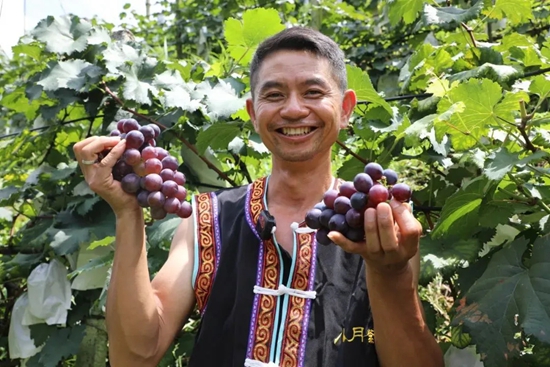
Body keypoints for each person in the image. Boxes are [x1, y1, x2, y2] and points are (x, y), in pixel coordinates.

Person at [73, 26, 444, 367]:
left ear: (346, 109)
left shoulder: (377, 224)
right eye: (274, 94)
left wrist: (391, 273)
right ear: (253, 113)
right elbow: (134, 356)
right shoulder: (207, 219)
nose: (294, 108)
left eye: (313, 92)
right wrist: (127, 213)